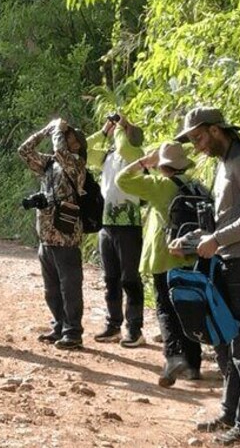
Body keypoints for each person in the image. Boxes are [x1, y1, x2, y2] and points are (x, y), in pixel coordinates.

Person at [175, 106, 240, 445]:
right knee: (226, 342)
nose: (197, 146)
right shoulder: (224, 164)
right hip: (226, 261)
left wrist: (217, 240)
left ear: (216, 130)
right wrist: (193, 240)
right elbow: (225, 220)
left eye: (198, 137)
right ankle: (231, 413)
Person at [116, 142, 202, 387]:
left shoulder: (160, 186)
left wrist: (144, 162)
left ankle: (173, 356)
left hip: (164, 256)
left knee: (166, 307)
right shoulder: (196, 186)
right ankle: (193, 365)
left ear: (163, 166)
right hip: (191, 255)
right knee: (188, 307)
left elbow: (122, 180)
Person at [18, 118, 88, 350]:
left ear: (77, 145)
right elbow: (24, 151)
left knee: (70, 288)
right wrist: (46, 130)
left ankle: (73, 332)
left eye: (70, 136)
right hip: (46, 237)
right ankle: (58, 326)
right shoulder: (49, 164)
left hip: (66, 238)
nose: (64, 137)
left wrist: (58, 129)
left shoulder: (76, 163)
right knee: (52, 289)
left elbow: (59, 150)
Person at [86, 113, 146, 347]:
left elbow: (124, 148)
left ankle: (135, 328)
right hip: (106, 225)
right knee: (110, 278)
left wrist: (122, 127)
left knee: (129, 278)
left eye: (126, 132)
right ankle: (113, 325)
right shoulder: (109, 156)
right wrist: (104, 131)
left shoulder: (136, 156)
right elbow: (85, 152)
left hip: (129, 226)